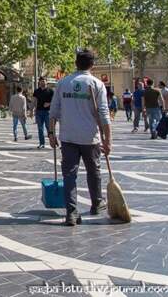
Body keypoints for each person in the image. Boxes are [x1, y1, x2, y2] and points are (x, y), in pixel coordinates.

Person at [48, 50, 109, 226]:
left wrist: (51, 133)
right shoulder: (97, 84)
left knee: (69, 175)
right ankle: (97, 202)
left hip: (68, 136)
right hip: (90, 137)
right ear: (93, 65)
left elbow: (54, 111)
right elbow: (104, 115)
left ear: (76, 63)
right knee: (94, 171)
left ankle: (71, 213)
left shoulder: (63, 82)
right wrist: (108, 140)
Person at [33, 77, 54, 149]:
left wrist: (49, 104)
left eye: (44, 81)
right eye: (41, 81)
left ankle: (52, 142)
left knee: (49, 128)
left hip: (48, 112)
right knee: (40, 128)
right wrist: (32, 110)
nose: (43, 83)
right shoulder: (36, 91)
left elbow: (55, 101)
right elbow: (34, 100)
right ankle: (42, 143)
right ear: (39, 82)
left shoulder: (50, 91)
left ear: (46, 82)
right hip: (39, 112)